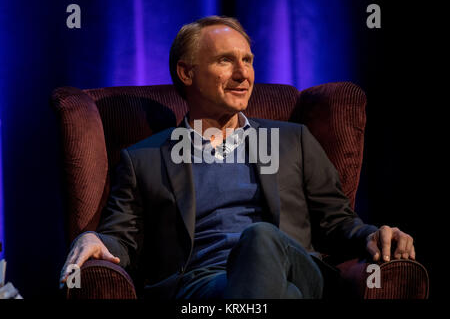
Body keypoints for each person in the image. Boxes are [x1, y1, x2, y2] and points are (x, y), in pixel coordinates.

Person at [60, 16, 415, 299]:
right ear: (187, 73)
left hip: (298, 269)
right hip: (204, 288)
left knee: (260, 238)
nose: (243, 74)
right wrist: (94, 238)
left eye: (247, 60)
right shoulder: (145, 160)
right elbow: (124, 238)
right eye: (226, 61)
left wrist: (372, 233)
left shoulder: (292, 140)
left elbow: (337, 222)